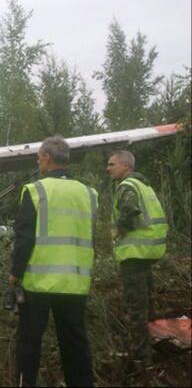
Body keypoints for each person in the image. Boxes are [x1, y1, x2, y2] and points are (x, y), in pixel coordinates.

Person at [9, 136, 98, 387]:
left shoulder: (35, 191)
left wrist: (15, 272)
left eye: (39, 156)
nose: (38, 161)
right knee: (76, 345)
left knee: (29, 344)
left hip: (39, 283)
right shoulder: (89, 193)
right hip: (75, 283)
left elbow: (24, 238)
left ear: (48, 158)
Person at [106, 150, 169, 367]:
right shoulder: (145, 185)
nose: (108, 168)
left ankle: (141, 359)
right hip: (149, 252)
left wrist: (119, 231)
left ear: (125, 166)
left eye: (111, 164)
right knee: (147, 304)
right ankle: (157, 344)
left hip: (135, 253)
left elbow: (130, 211)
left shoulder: (127, 186)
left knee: (136, 308)